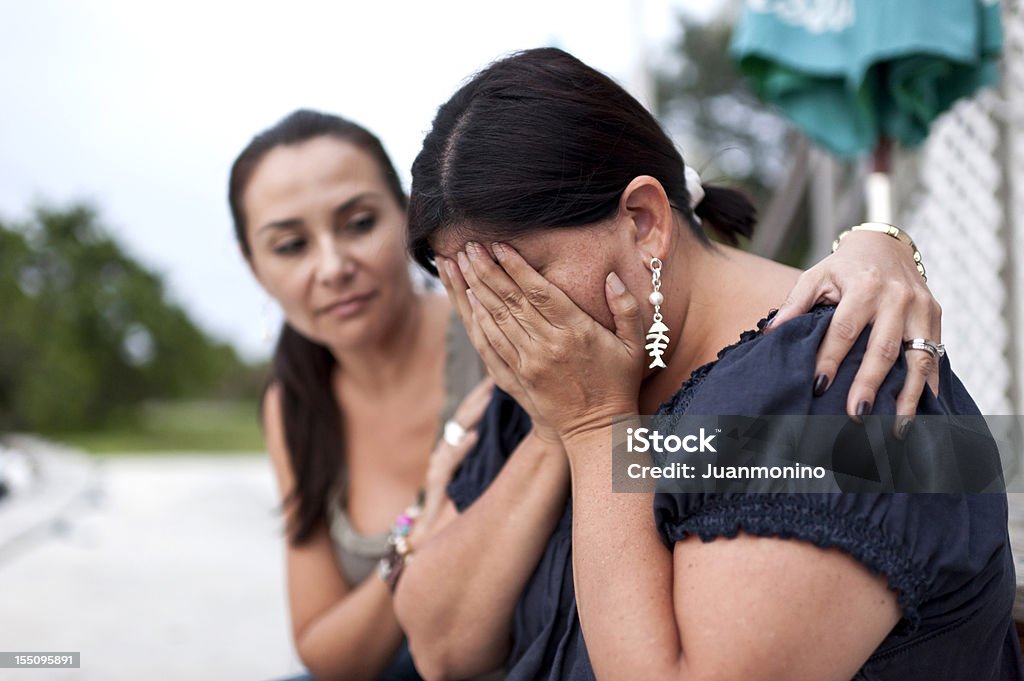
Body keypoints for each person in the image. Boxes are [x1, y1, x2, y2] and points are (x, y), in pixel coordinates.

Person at [395, 48, 1021, 680]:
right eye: (469, 288)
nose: (505, 320)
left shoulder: (830, 387)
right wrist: (555, 427)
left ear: (643, 223)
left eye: (519, 276)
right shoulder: (557, 374)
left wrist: (596, 432)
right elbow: (441, 646)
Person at [228, 110, 492, 681]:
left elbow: (692, 452)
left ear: (405, 216)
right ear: (256, 269)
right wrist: (415, 537)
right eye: (292, 245)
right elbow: (325, 651)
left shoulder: (495, 332)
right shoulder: (293, 404)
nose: (333, 267)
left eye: (358, 223)